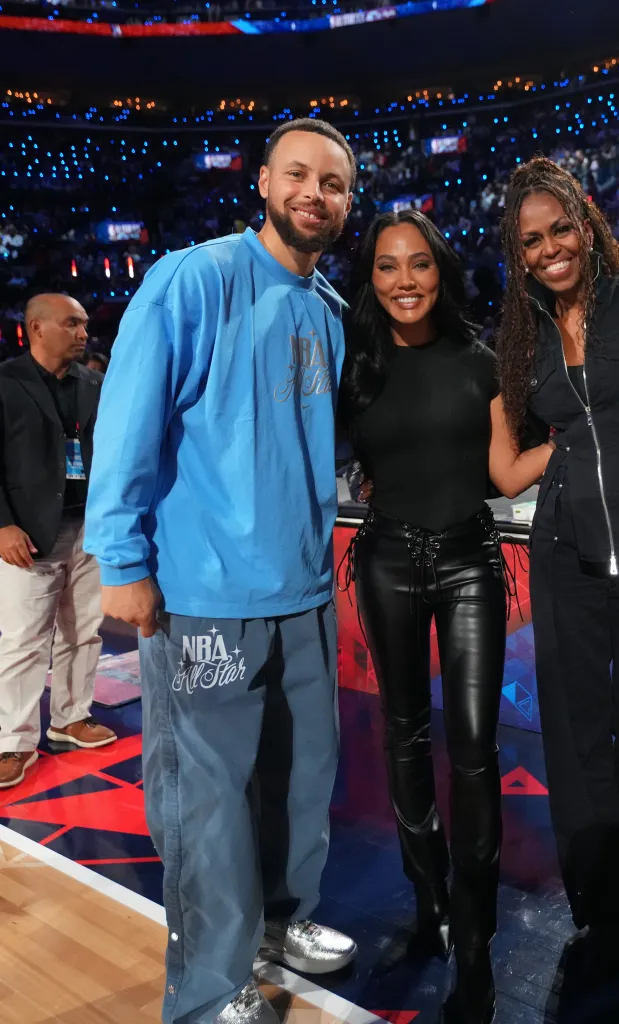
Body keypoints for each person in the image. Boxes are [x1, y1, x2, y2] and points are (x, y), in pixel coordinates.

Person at [85, 119, 358, 1024]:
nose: (316, 192)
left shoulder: (329, 310)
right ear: (264, 183)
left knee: (297, 781)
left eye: (335, 182)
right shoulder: (193, 278)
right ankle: (209, 989)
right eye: (300, 175)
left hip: (304, 593)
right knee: (205, 804)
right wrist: (121, 558)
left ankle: (281, 925)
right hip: (204, 594)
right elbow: (125, 420)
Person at [339, 210, 552, 1024]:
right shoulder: (353, 364)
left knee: (472, 753)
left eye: (418, 264)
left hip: (469, 561)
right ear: (372, 277)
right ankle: (427, 905)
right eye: (387, 266)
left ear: (441, 270)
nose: (403, 281)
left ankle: (474, 937)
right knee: (401, 739)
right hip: (387, 560)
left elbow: (503, 473)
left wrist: (579, 434)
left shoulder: (482, 360)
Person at [496, 157, 619, 960]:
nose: (549, 250)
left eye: (558, 230)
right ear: (518, 256)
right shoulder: (518, 339)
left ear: (587, 225)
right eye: (530, 242)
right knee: (574, 728)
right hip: (562, 554)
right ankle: (596, 890)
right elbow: (506, 462)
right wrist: (568, 446)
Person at [0, 294, 116, 790]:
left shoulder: (94, 383)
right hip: (26, 531)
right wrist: (1, 524)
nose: (83, 332)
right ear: (36, 329)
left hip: (89, 524)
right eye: (72, 323)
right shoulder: (5, 383)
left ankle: (70, 718)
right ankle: (14, 742)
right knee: (24, 642)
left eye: (85, 323)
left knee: (83, 630)